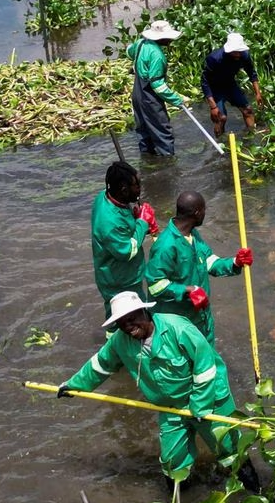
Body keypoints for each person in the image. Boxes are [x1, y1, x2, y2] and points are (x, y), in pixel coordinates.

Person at [58, 291, 241, 481]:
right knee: (172, 462)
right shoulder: (120, 341)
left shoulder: (177, 328)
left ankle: (248, 490)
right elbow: (99, 365)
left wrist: (200, 406)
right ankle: (181, 497)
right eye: (121, 324)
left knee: (229, 451)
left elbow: (205, 367)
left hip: (209, 399)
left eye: (131, 319)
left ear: (144, 312)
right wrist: (73, 385)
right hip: (170, 406)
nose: (128, 327)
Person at [142, 190, 252, 342]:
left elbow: (210, 262)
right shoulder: (165, 246)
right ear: (197, 212)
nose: (205, 213)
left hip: (200, 316)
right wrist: (188, 290)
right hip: (177, 322)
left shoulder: (193, 235)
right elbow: (155, 285)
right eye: (204, 209)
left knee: (209, 360)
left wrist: (235, 262)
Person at [92, 161, 158, 314]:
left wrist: (136, 220)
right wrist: (142, 223)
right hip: (119, 280)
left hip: (125, 275)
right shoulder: (109, 222)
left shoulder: (107, 195)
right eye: (137, 186)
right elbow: (127, 251)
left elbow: (124, 228)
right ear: (123, 190)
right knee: (126, 319)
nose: (140, 190)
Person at [129, 19, 188, 156]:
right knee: (162, 130)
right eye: (168, 38)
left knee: (143, 130)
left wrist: (139, 65)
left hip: (137, 94)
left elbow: (129, 52)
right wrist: (177, 100)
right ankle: (168, 163)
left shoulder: (141, 43)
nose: (170, 41)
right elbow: (158, 85)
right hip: (149, 97)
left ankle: (147, 161)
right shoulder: (157, 55)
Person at [201, 30, 263, 136]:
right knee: (221, 118)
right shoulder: (215, 58)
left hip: (230, 84)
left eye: (240, 51)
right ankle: (221, 144)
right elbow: (205, 82)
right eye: (235, 51)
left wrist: (258, 93)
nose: (238, 54)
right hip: (215, 87)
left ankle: (252, 138)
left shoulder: (244, 55)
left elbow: (252, 73)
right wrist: (213, 107)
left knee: (248, 110)